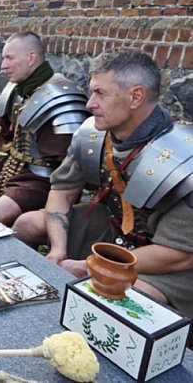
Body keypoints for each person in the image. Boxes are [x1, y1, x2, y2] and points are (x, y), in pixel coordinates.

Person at [13, 50, 193, 324]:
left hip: (168, 260)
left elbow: (178, 256)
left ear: (135, 96)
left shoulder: (184, 160)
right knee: (27, 224)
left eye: (100, 93)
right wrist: (58, 249)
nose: (89, 104)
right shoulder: (94, 134)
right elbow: (61, 193)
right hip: (116, 228)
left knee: (124, 296)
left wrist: (91, 267)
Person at [0, 32, 89, 225]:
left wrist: (58, 207)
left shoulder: (63, 100)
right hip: (12, 165)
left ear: (31, 58)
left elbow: (72, 164)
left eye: (9, 58)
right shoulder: (16, 89)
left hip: (42, 179)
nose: (3, 66)